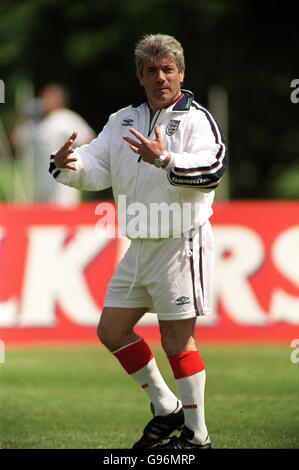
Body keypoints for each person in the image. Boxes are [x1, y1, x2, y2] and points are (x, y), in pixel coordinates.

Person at [49, 34, 226, 448]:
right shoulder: (121, 119)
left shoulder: (197, 118)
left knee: (176, 341)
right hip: (139, 243)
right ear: (140, 76)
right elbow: (95, 167)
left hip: (181, 240)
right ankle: (166, 408)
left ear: (181, 73)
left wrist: (164, 159)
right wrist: (67, 164)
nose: (160, 77)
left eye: (168, 69)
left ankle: (198, 437)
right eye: (152, 70)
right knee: (111, 330)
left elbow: (213, 168)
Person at [12, 83, 96, 204]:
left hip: (62, 188)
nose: (45, 100)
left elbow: (88, 139)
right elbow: (16, 141)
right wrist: (22, 117)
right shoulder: (34, 123)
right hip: (36, 187)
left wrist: (76, 161)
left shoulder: (66, 118)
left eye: (49, 97)